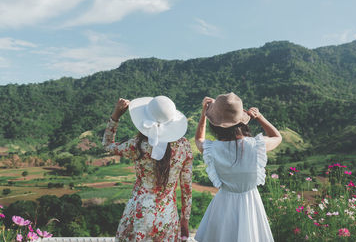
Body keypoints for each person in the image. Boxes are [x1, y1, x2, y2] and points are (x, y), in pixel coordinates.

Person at [102, 96, 193, 242]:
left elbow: (107, 144)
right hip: (167, 215)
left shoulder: (137, 145)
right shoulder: (184, 147)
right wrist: (185, 219)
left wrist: (116, 115)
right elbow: (186, 187)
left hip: (139, 213)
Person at [194, 93, 282, 242]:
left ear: (215, 125)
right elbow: (277, 137)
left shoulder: (212, 149)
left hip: (223, 203)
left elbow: (199, 139)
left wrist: (204, 114)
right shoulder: (257, 146)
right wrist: (259, 117)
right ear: (242, 122)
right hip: (251, 202)